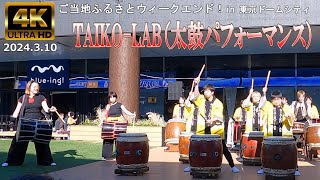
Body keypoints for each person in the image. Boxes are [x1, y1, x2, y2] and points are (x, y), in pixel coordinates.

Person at [184, 78, 240, 173]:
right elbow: (195, 96)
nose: (205, 93)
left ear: (212, 92)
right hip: (202, 129)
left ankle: (232, 166)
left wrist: (212, 120)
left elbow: (218, 117)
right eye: (204, 91)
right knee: (196, 149)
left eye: (207, 91)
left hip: (215, 130)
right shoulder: (201, 99)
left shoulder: (218, 103)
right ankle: (192, 165)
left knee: (223, 149)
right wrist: (197, 85)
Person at [2, 80, 57, 167]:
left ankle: (46, 161)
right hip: (25, 124)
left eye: (37, 86)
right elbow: (17, 110)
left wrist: (51, 109)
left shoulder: (41, 97)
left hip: (38, 123)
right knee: (18, 143)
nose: (36, 88)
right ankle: (11, 162)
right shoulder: (22, 98)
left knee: (42, 143)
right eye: (34, 86)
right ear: (29, 88)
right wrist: (12, 120)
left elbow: (46, 109)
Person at [257, 91, 300, 176]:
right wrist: (264, 93)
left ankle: (295, 168)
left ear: (281, 99)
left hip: (284, 134)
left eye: (278, 99)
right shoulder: (268, 107)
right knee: (268, 152)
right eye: (274, 99)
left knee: (288, 152)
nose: (276, 101)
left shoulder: (286, 107)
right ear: (272, 100)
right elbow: (262, 105)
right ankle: (264, 167)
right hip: (271, 134)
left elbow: (292, 118)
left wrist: (289, 116)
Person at [100, 92, 136, 160]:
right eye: (111, 97)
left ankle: (120, 155)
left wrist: (132, 114)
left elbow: (126, 111)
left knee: (119, 140)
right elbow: (105, 115)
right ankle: (105, 156)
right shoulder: (108, 106)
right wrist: (102, 122)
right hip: (109, 124)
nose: (112, 99)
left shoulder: (120, 105)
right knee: (107, 139)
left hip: (118, 124)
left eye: (113, 97)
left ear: (116, 98)